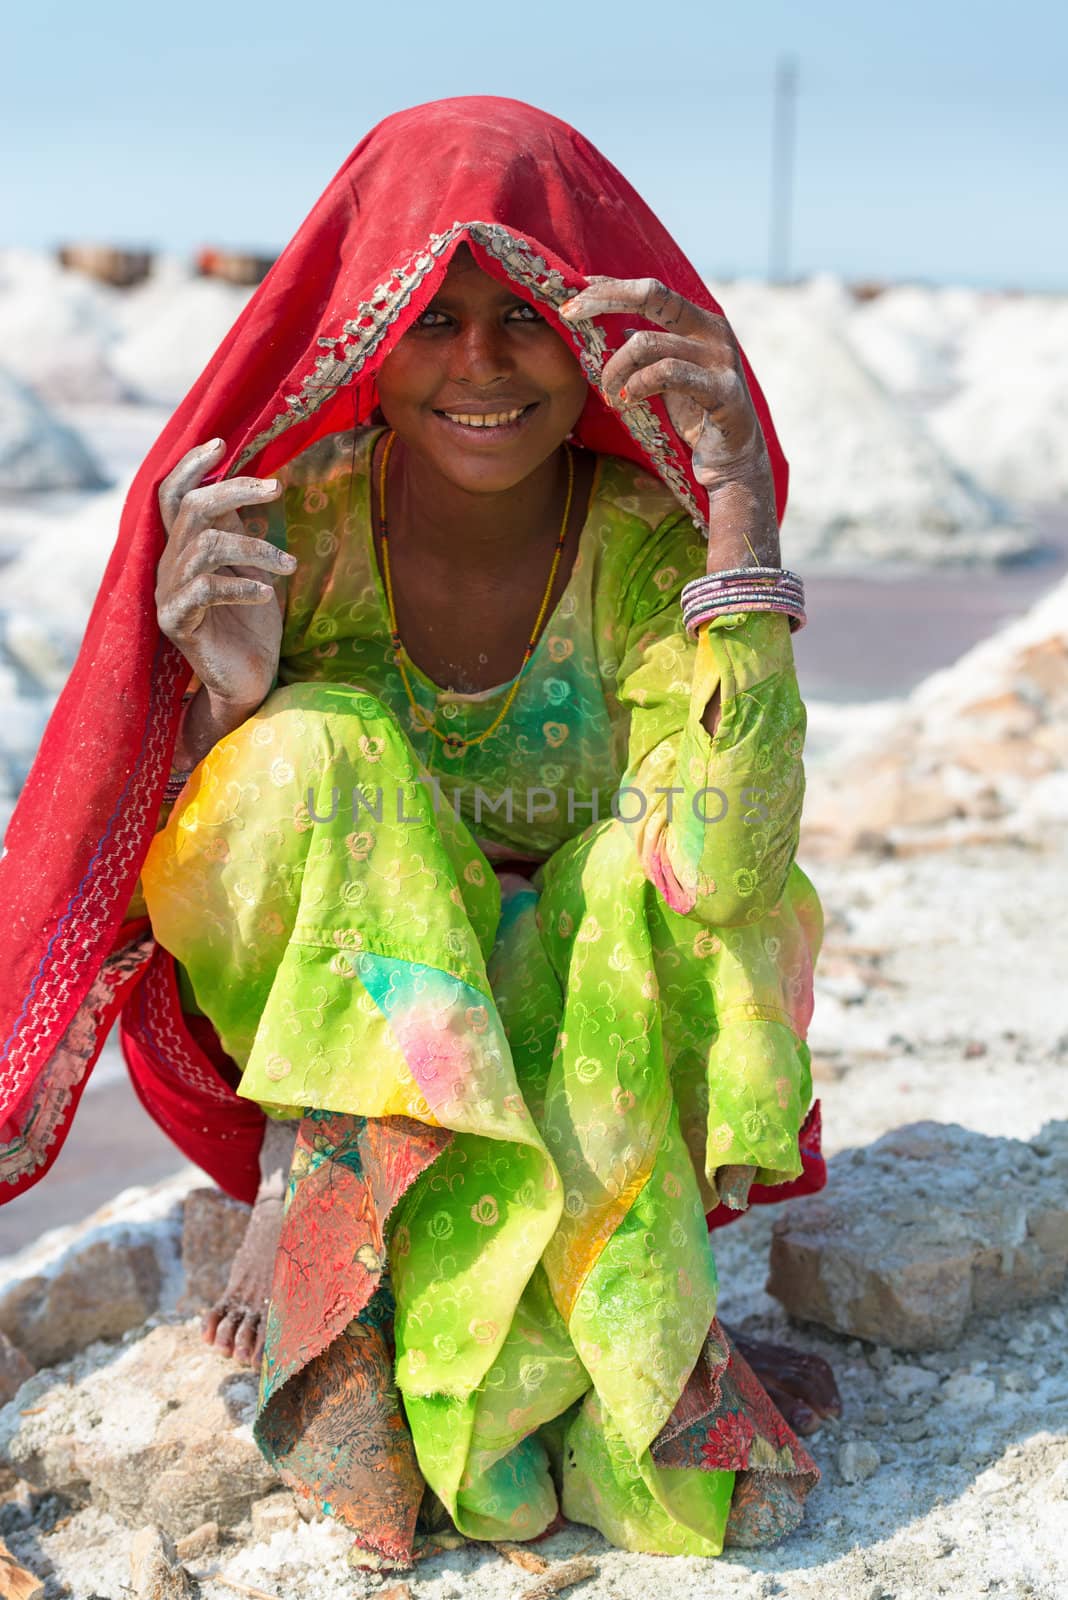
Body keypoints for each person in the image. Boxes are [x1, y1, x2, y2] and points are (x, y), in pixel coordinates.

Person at [0, 97, 837, 1566]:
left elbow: (728, 874)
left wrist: (742, 537)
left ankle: (554, 1358)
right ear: (365, 342)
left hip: (584, 1049)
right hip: (364, 1053)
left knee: (630, 885)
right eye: (432, 319)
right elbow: (186, 861)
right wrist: (226, 699)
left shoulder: (647, 545)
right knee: (320, 745)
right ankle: (321, 1216)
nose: (480, 367)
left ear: (592, 345)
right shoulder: (299, 527)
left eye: (524, 317)